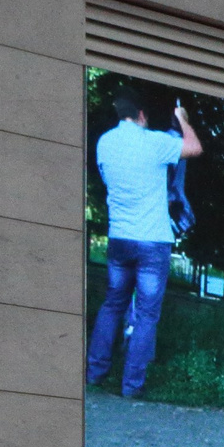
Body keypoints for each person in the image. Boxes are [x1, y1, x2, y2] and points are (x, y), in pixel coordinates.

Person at [85, 89, 203, 398]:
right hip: (152, 241)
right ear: (141, 116)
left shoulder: (104, 143)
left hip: (119, 239)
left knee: (112, 305)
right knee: (148, 315)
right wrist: (181, 119)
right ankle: (131, 386)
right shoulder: (153, 143)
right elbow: (194, 147)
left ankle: (95, 373)